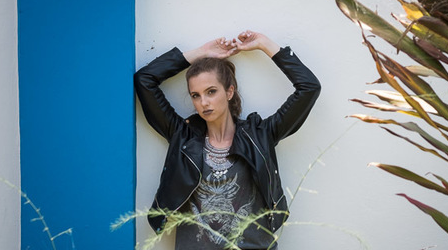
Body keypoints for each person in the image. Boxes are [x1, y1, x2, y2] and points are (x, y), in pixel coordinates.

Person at [135, 30, 321, 249]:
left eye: (211, 91)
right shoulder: (182, 136)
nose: (203, 102)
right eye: (196, 95)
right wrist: (201, 53)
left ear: (229, 91)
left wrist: (265, 44)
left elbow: (309, 87)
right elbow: (144, 80)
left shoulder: (260, 135)